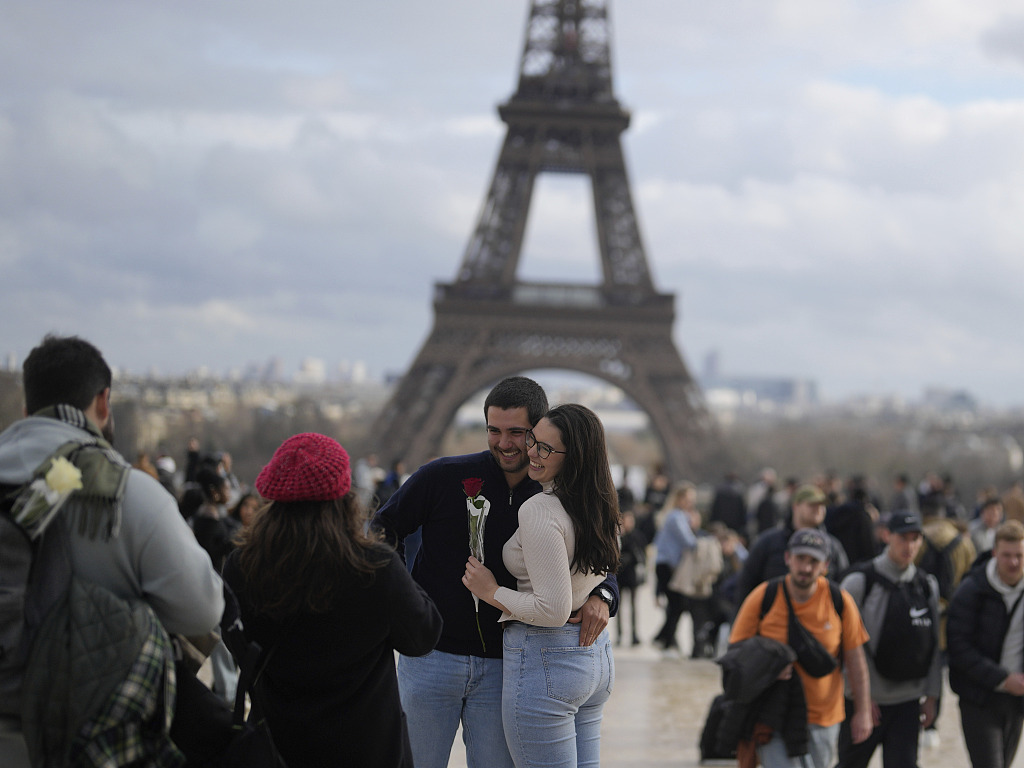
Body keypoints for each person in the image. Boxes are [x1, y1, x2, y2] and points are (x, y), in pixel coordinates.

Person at [0, 334, 224, 767]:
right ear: (103, 402)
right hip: (79, 740)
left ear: (28, 409)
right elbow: (202, 611)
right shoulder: (130, 494)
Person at [372, 376, 618, 768]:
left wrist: (603, 596)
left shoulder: (556, 493)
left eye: (517, 433)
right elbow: (381, 529)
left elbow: (596, 555)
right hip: (432, 658)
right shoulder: (441, 477)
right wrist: (403, 603)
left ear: (539, 432)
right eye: (494, 430)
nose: (504, 443)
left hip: (508, 668)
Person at [222, 432, 442, 768]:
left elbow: (238, 644)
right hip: (368, 748)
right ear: (344, 496)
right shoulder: (375, 567)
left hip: (280, 746)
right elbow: (423, 636)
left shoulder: (242, 567)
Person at [463, 403, 620, 768]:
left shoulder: (540, 510)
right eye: (534, 440)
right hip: (594, 659)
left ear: (575, 457)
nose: (531, 452)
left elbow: (552, 610)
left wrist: (491, 593)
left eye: (546, 449)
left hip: (546, 661)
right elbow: (601, 572)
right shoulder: (602, 505)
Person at [730, 528, 872, 768]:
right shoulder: (763, 597)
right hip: (773, 715)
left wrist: (863, 711)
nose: (806, 568)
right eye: (800, 559)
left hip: (823, 718)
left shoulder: (840, 601)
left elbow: (856, 661)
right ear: (787, 559)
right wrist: (766, 668)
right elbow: (734, 654)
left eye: (813, 561)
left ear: (825, 565)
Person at [837, 512, 942, 768]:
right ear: (887, 536)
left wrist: (932, 696)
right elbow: (844, 646)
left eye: (915, 539)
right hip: (864, 703)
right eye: (903, 538)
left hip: (907, 702)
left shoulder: (926, 585)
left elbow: (933, 646)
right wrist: (862, 698)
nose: (909, 546)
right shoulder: (859, 582)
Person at [947, 520, 1024, 768]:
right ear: (994, 554)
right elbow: (958, 647)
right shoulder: (971, 590)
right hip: (979, 697)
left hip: (1016, 699)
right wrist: (1002, 678)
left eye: (1020, 555)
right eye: (1007, 555)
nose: (1014, 562)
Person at [736, 484, 850, 606]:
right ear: (796, 506)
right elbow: (746, 583)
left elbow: (843, 585)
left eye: (822, 505)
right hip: (774, 618)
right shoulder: (768, 542)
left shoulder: (832, 546)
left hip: (819, 619)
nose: (818, 509)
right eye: (812, 505)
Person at [651, 482, 698, 657]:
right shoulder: (676, 517)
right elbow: (689, 542)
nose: (690, 503)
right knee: (677, 605)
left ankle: (664, 639)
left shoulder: (675, 516)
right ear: (679, 498)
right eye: (688, 499)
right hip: (668, 566)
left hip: (666, 565)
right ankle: (666, 641)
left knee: (675, 605)